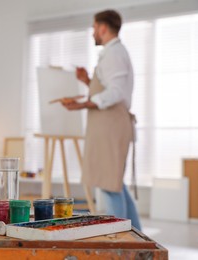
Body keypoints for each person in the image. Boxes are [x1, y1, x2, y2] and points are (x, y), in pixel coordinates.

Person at [61, 9, 141, 230]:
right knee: (115, 184)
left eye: (94, 27)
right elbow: (110, 90)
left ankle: (119, 241)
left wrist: (81, 104)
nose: (92, 32)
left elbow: (115, 92)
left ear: (103, 28)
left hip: (111, 126)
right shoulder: (112, 53)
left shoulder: (114, 53)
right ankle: (138, 238)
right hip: (109, 125)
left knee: (109, 185)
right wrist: (88, 80)